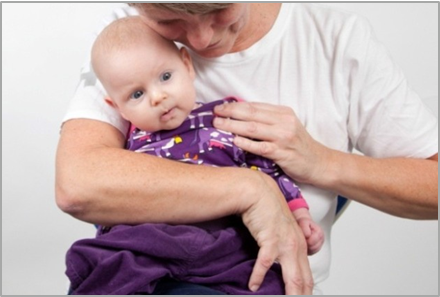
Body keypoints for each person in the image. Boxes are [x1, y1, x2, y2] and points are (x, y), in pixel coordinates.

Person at [56, 3, 438, 295]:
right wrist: (251, 190)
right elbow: (78, 184)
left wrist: (323, 162)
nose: (203, 39)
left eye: (220, 9)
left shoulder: (333, 42)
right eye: (170, 20)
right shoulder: (127, 38)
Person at [65, 15, 324, 295]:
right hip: (149, 243)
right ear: (116, 107)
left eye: (165, 77)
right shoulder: (124, 143)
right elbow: (97, 187)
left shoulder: (224, 118)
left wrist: (299, 216)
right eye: (137, 94)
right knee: (104, 266)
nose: (157, 97)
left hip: (225, 243)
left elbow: (268, 168)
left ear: (186, 65)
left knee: (267, 280)